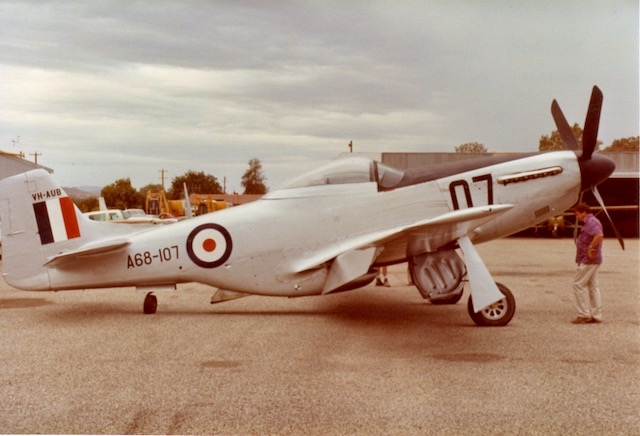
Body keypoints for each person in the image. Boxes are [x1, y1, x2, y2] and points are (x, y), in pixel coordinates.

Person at [571, 202, 604, 324]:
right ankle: (596, 315)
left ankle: (583, 314)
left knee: (578, 284)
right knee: (593, 286)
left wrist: (591, 248)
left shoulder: (591, 222)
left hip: (589, 259)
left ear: (584, 212)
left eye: (577, 214)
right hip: (592, 259)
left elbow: (599, 235)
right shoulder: (591, 222)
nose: (577, 217)